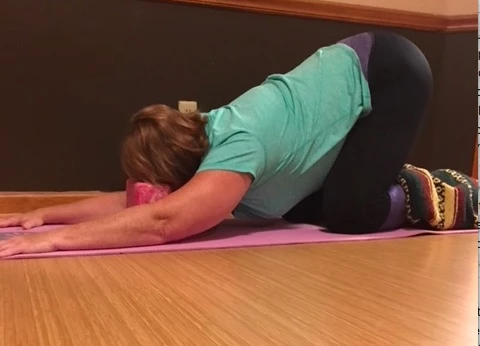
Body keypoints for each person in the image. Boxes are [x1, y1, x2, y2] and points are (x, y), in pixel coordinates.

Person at [0, 31, 433, 257]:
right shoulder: (202, 143)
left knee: (351, 214)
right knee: (293, 211)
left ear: (176, 174)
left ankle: (426, 190)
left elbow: (162, 221)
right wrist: (43, 215)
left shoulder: (236, 144)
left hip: (388, 72)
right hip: (352, 75)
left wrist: (59, 241)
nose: (148, 195)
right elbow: (132, 204)